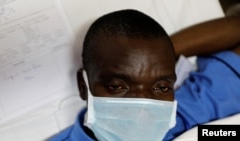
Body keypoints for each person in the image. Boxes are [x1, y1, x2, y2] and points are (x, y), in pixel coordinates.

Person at [49, 9, 240, 141]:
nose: (142, 109)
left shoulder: (189, 116)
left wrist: (160, 56)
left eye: (161, 87)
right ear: (84, 87)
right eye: (117, 87)